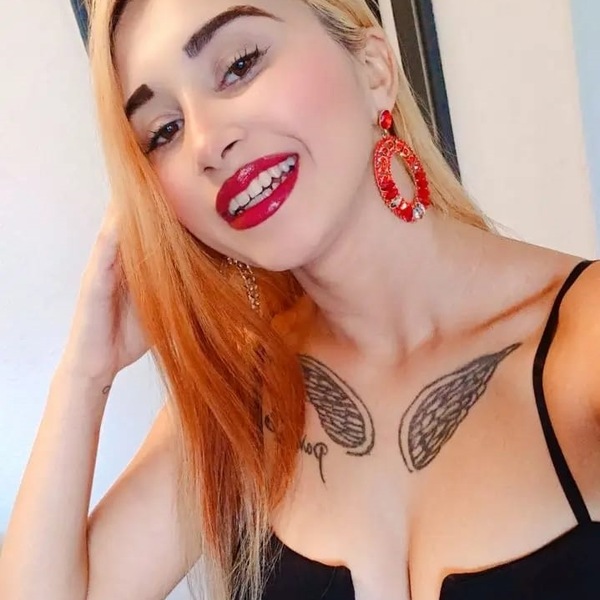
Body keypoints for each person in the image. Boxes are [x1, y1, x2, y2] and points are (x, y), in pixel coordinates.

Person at [1, 0, 599, 599]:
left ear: (373, 69)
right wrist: (86, 371)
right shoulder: (242, 398)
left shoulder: (584, 337)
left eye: (239, 64)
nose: (206, 143)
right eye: (164, 131)